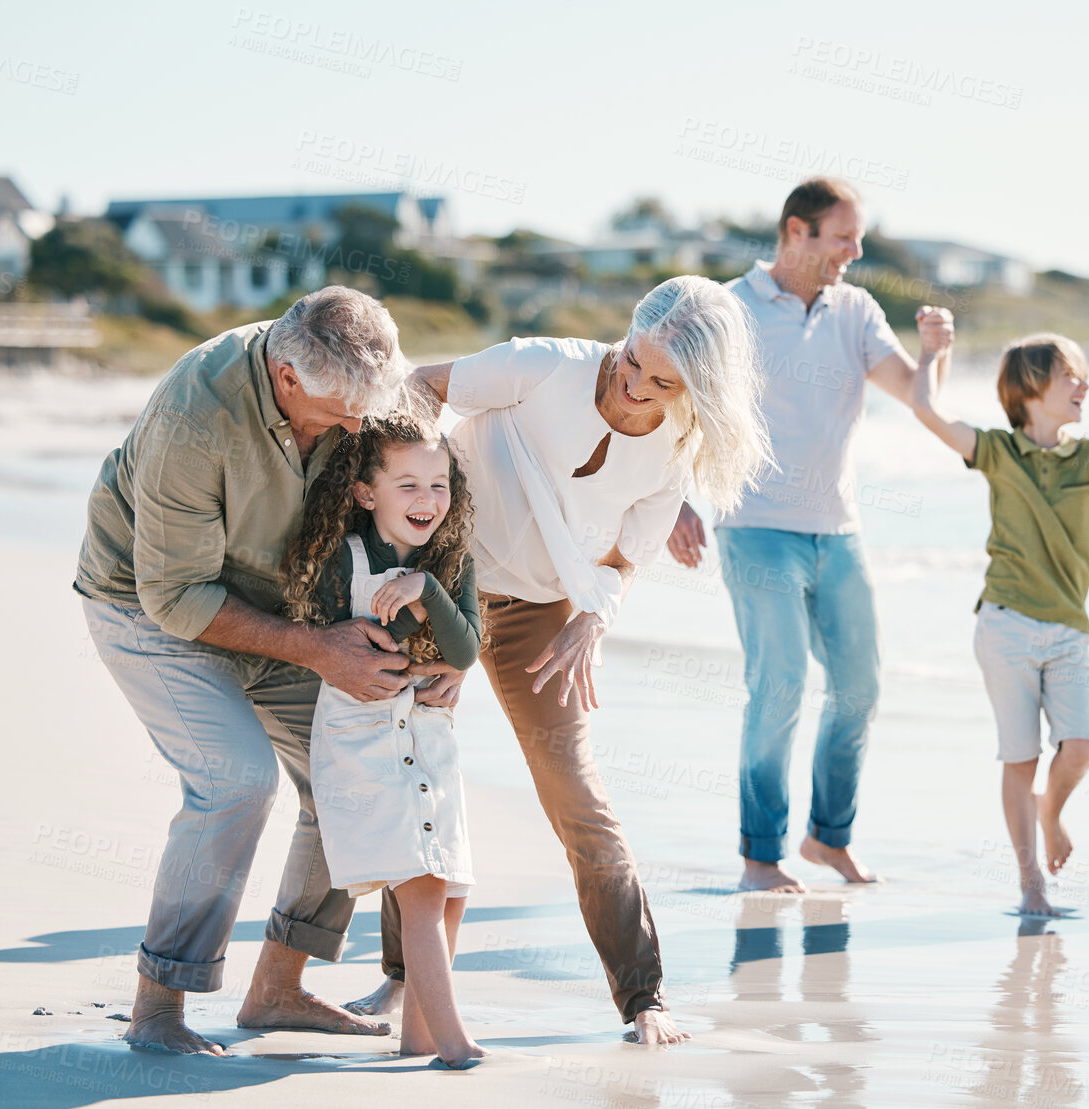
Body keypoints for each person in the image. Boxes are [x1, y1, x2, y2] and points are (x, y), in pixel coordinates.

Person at [347, 276, 771, 1044]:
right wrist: (413, 515)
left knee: (576, 796)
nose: (635, 385)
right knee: (418, 766)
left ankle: (644, 996)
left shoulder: (675, 450)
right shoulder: (548, 365)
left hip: (542, 614)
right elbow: (423, 384)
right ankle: (403, 978)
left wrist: (592, 622)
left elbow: (620, 561)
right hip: (442, 585)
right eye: (633, 361)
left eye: (662, 383)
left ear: (698, 391)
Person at [75, 286, 425, 1055]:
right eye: (342, 412)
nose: (360, 427)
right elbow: (174, 595)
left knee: (356, 771)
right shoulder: (193, 414)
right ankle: (159, 1005)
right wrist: (318, 646)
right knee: (235, 780)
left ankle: (278, 989)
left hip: (278, 605)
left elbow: (437, 492)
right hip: (147, 602)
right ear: (288, 377)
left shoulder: (357, 394)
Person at [669, 176, 955, 893]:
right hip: (755, 524)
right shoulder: (728, 308)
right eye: (843, 237)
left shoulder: (854, 310)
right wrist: (673, 499)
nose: (855, 252)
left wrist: (936, 351)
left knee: (859, 688)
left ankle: (829, 838)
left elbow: (920, 397)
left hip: (838, 530)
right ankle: (760, 855)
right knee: (781, 684)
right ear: (796, 231)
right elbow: (670, 402)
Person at [911, 332, 1089, 916]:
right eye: (1071, 375)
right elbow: (927, 409)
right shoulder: (995, 450)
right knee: (1020, 759)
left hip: (1068, 628)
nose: (1084, 385)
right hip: (1005, 625)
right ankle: (1031, 886)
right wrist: (932, 351)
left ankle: (1052, 811)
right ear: (1031, 389)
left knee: (1083, 745)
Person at [279, 403, 485, 1066]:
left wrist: (425, 589)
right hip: (364, 735)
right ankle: (456, 1044)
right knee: (422, 886)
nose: (428, 500)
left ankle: (419, 1038)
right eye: (408, 485)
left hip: (429, 737)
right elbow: (368, 648)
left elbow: (468, 648)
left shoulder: (450, 562)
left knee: (451, 886)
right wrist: (417, 643)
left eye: (440, 484)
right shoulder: (343, 559)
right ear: (368, 493)